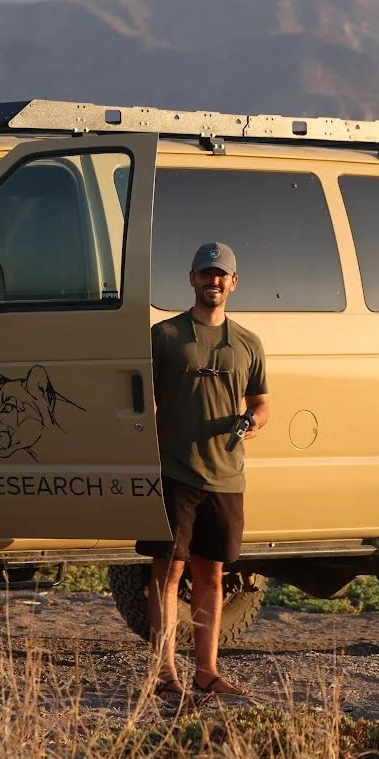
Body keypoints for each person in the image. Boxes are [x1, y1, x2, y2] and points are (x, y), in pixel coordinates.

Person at [135, 241, 270, 698]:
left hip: (226, 475)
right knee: (167, 573)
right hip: (175, 472)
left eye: (222, 275)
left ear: (234, 283)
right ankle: (164, 673)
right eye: (206, 273)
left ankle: (206, 672)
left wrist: (252, 421)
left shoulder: (248, 343)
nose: (214, 281)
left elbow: (261, 404)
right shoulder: (165, 336)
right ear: (191, 279)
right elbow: (137, 399)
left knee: (211, 574)